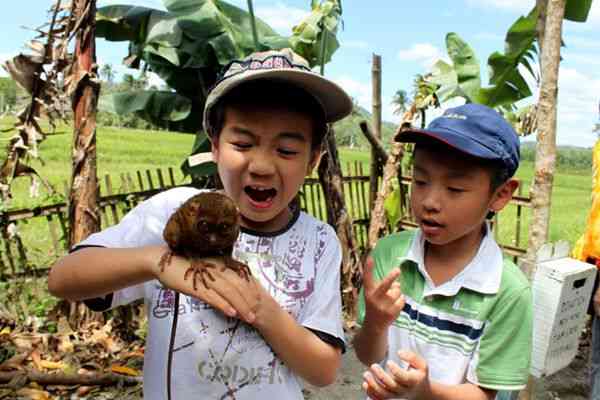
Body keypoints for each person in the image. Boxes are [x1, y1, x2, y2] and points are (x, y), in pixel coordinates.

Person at [48, 48, 353, 399]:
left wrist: (260, 309)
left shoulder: (318, 240)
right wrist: (157, 262)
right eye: (242, 143)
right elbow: (62, 278)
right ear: (216, 146)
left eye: (286, 150)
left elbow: (324, 370)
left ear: (313, 159)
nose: (263, 166)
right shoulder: (171, 210)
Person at [353, 104, 533, 400]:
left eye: (455, 188)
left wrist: (425, 392)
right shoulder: (389, 255)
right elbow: (366, 354)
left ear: (500, 194)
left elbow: (484, 393)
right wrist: (374, 323)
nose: (430, 201)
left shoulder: (508, 291)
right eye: (421, 181)